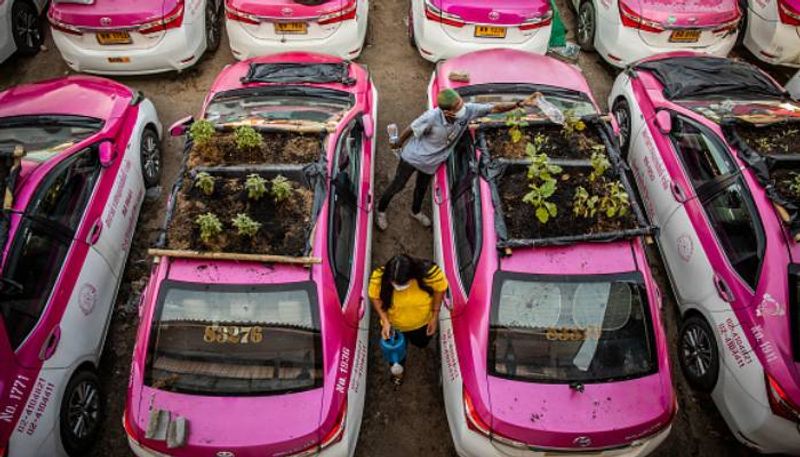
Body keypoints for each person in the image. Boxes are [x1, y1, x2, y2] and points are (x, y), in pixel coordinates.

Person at [376, 88, 540, 230]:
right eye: (458, 107)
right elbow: (410, 129)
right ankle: (381, 210)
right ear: (447, 112)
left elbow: (494, 108)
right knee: (398, 185)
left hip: (432, 163)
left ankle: (415, 211)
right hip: (413, 157)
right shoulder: (431, 117)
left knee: (421, 187)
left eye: (461, 103)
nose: (463, 108)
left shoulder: (468, 110)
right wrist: (396, 143)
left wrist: (520, 103)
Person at [368, 254, 448, 384]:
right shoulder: (379, 277)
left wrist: (434, 316)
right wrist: (385, 321)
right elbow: (374, 297)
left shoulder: (431, 274)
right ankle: (398, 374)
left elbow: (440, 291)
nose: (398, 288)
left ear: (413, 276)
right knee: (396, 355)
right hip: (394, 328)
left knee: (421, 343)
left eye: (403, 284)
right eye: (394, 284)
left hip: (422, 324)